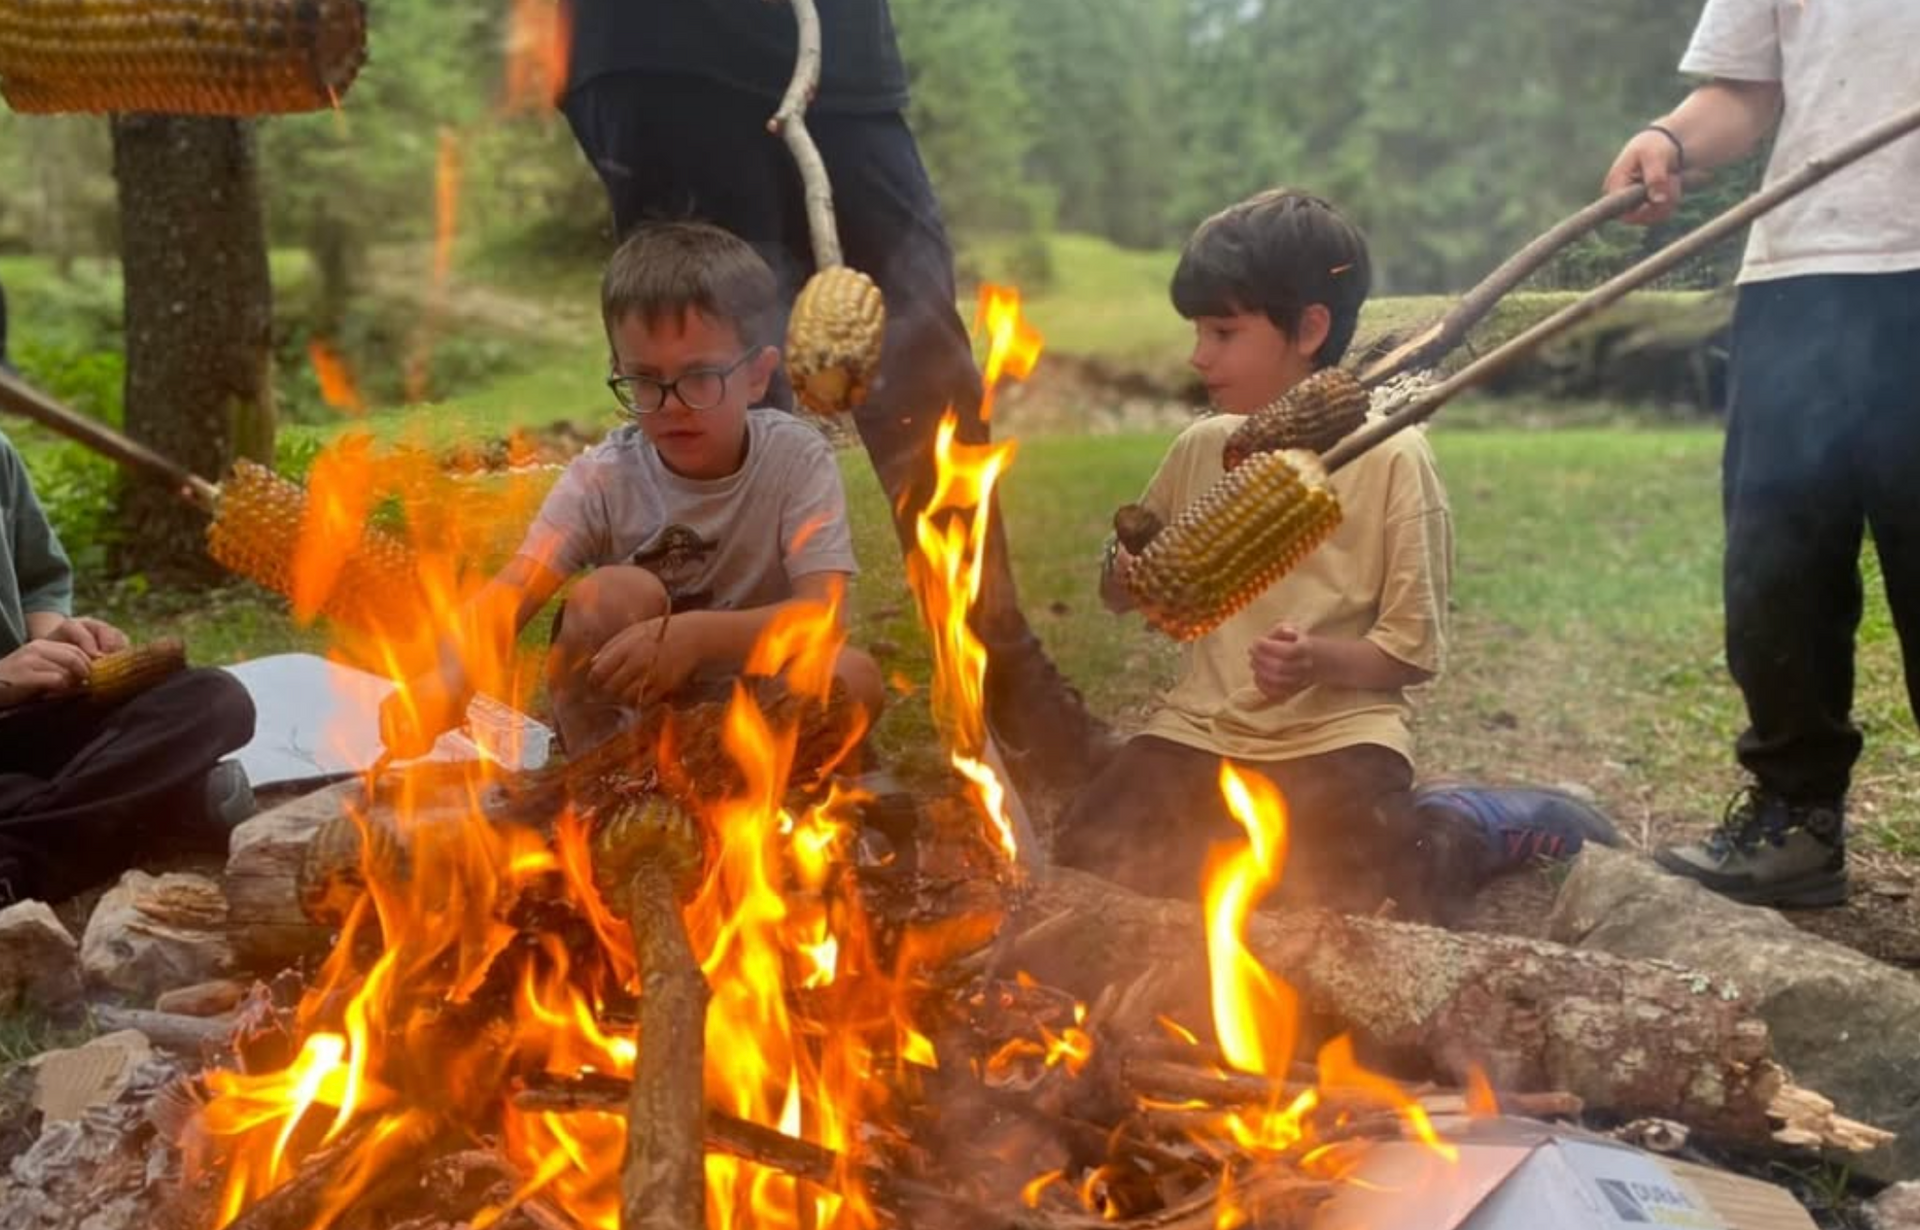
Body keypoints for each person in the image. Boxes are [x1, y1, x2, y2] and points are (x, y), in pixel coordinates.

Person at [555, 0, 1109, 785]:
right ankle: (761, 707)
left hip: (838, 55)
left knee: (928, 367)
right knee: (724, 376)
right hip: (664, 40)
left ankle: (1005, 672)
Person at [1053, 190, 1617, 920]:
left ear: (1309, 327)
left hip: (1335, 736)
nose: (1199, 355)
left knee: (1371, 890)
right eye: (1197, 331)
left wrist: (1317, 660)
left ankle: (1474, 819)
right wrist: (1124, 570)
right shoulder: (1201, 447)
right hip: (1202, 729)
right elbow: (1117, 589)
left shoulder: (1392, 456)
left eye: (1224, 331)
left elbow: (1410, 651)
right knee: (1095, 849)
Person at [1601, 0, 1920, 909]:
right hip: (1799, 270)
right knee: (1775, 568)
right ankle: (1794, 819)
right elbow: (1745, 90)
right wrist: (1670, 137)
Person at [379, 220, 885, 762]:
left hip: (750, 706)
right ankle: (599, 770)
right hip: (625, 709)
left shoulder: (795, 460)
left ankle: (740, 782)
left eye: (700, 377)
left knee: (854, 677)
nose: (672, 403)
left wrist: (695, 637)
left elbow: (822, 615)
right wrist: (449, 677)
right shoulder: (604, 478)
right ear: (618, 370)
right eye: (646, 379)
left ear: (757, 377)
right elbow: (508, 594)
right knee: (614, 594)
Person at [0, 428, 256, 906]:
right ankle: (139, 811)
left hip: (23, 722)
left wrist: (56, 641)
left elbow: (39, 584)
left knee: (213, 699)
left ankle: (82, 816)